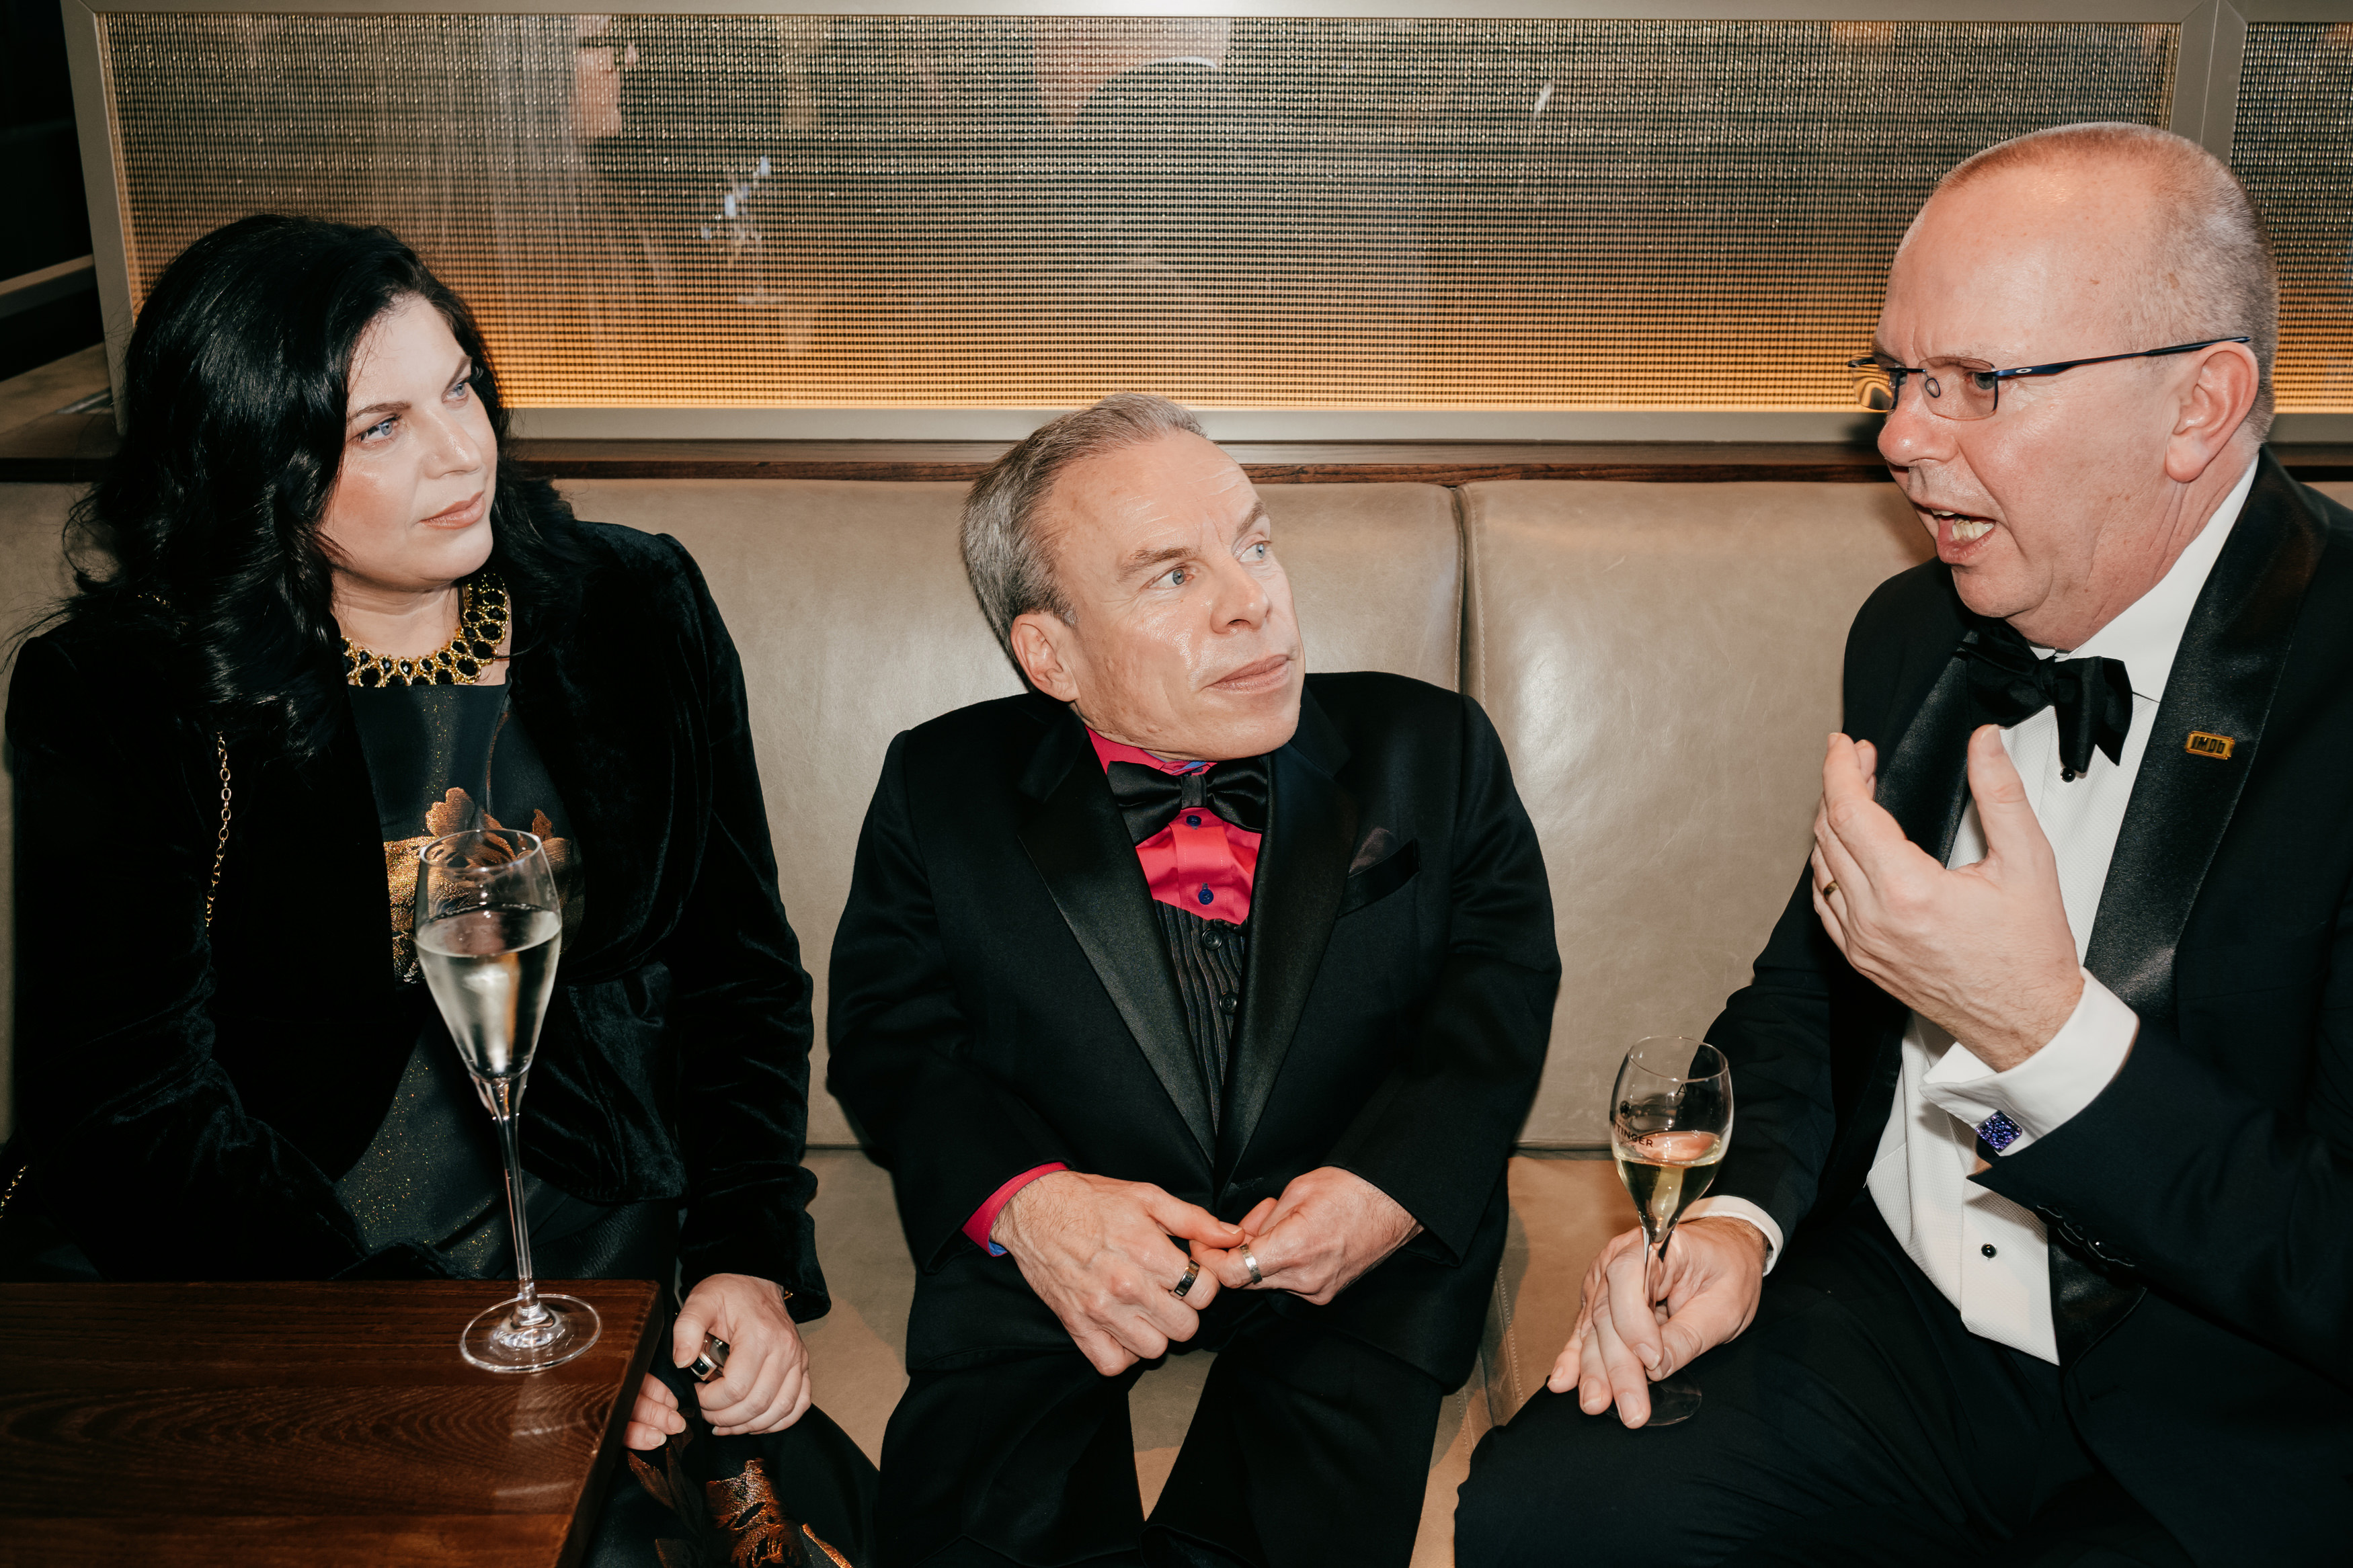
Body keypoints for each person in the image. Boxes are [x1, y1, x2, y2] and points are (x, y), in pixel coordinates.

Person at [1457, 122, 2352, 1565]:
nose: (1900, 438)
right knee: (1549, 1515)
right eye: (1896, 379)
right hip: (1896, 1320)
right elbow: (1811, 989)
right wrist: (1741, 1221)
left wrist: (2041, 1034)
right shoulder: (1915, 631)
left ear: (2200, 404)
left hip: (2225, 1419)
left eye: (1976, 384)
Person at [1, 214, 873, 1561]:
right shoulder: (123, 694)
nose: (464, 451)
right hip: (281, 1246)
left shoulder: (633, 605)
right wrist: (400, 1339)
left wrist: (748, 1255)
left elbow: (735, 968)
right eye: (381, 428)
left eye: (459, 385)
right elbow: (126, 1101)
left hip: (580, 1208)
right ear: (260, 466)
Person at [826, 392, 1559, 1565]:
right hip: (1066, 1247)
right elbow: (887, 1034)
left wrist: (1390, 1185)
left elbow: (1498, 988)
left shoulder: (1437, 749)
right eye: (1171, 577)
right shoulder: (938, 786)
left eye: (1254, 543)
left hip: (1355, 1251)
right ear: (1049, 652)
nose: (1253, 600)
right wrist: (1029, 1204)